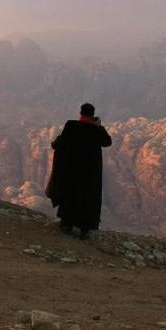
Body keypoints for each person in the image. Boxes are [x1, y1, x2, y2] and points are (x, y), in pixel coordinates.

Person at [45, 103, 112, 240]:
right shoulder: (96, 130)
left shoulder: (71, 125)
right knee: (87, 199)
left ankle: (67, 225)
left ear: (80, 113)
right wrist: (99, 126)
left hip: (71, 171)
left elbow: (59, 143)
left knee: (70, 195)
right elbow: (107, 142)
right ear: (93, 115)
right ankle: (84, 230)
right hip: (89, 174)